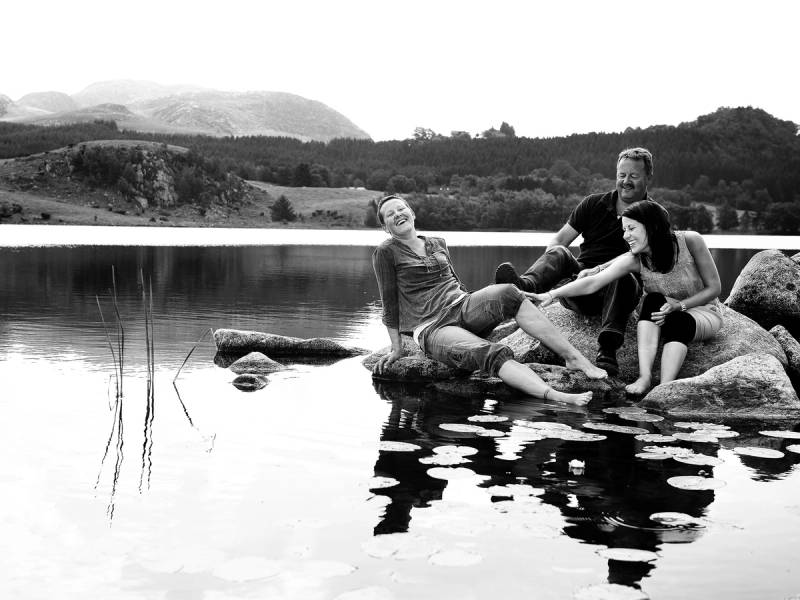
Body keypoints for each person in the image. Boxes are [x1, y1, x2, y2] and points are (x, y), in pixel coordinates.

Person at [371, 194, 607, 406]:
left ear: (411, 212)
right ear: (385, 227)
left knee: (509, 292)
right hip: (433, 326)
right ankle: (554, 395)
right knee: (488, 352)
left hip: (462, 305)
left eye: (401, 209)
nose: (397, 215)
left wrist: (484, 310)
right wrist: (397, 348)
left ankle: (573, 358)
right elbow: (389, 303)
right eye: (390, 214)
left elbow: (453, 281)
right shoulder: (386, 252)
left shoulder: (437, 242)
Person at [529, 199, 723, 395]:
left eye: (631, 228)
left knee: (677, 321)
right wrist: (551, 294)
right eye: (624, 230)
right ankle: (645, 377)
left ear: (651, 226)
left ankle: (665, 388)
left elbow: (714, 288)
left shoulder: (690, 241)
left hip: (701, 311)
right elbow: (593, 283)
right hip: (663, 311)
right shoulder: (635, 258)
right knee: (652, 299)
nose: (625, 235)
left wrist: (680, 306)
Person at [494, 147, 656, 377]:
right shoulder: (593, 204)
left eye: (634, 176)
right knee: (560, 251)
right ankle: (522, 290)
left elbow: (647, 259)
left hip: (618, 291)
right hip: (580, 287)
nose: (625, 181)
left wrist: (599, 271)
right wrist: (564, 273)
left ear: (648, 177)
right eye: (622, 175)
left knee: (625, 277)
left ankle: (607, 350)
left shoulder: (654, 215)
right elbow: (559, 240)